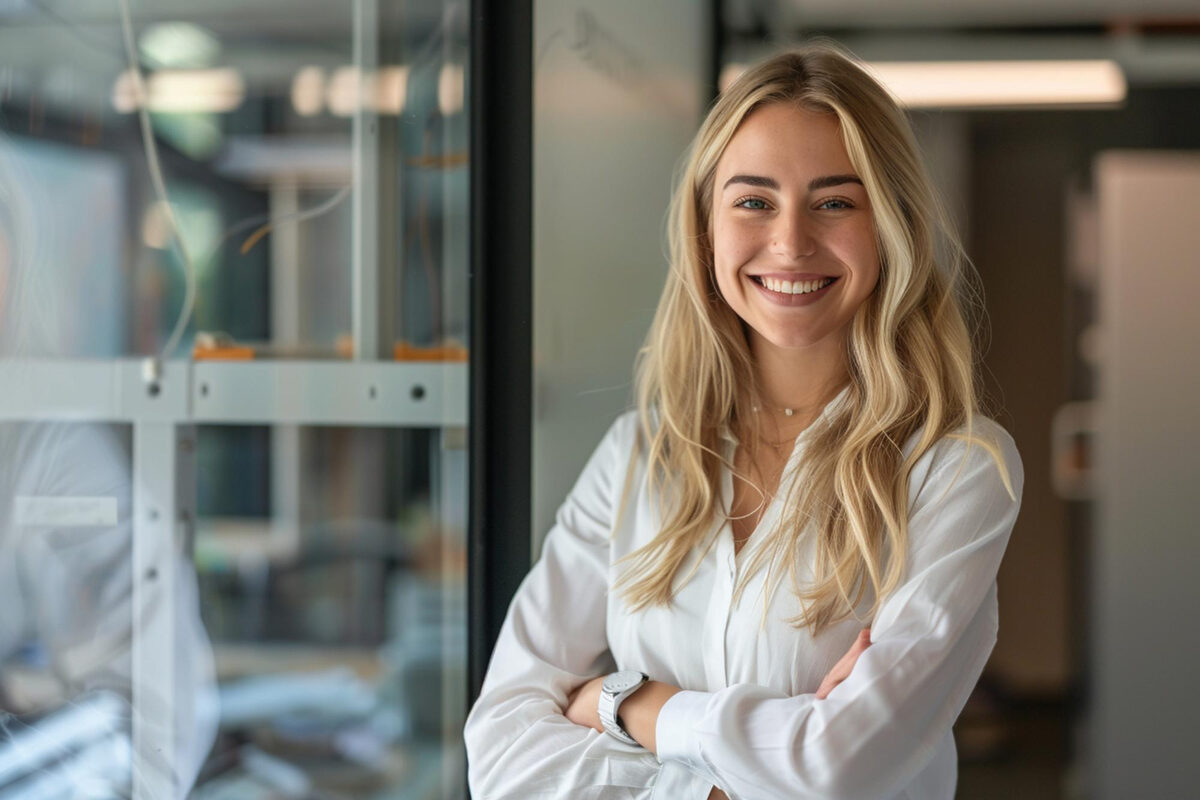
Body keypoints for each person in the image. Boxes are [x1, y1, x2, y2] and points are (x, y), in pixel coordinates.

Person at [464, 43, 1023, 800]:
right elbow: (499, 748)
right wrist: (725, 786)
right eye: (754, 201)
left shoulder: (957, 471)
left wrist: (623, 704)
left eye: (835, 201)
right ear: (705, 227)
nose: (790, 242)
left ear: (890, 224)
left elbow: (837, 767)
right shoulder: (637, 455)